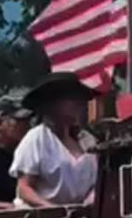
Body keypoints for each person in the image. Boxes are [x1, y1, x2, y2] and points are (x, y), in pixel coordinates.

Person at [10, 72, 100, 208]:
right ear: (52, 104)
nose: (79, 104)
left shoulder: (87, 140)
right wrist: (52, 209)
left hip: (79, 217)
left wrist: (90, 203)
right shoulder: (37, 138)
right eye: (71, 98)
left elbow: (97, 183)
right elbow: (24, 189)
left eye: (80, 99)